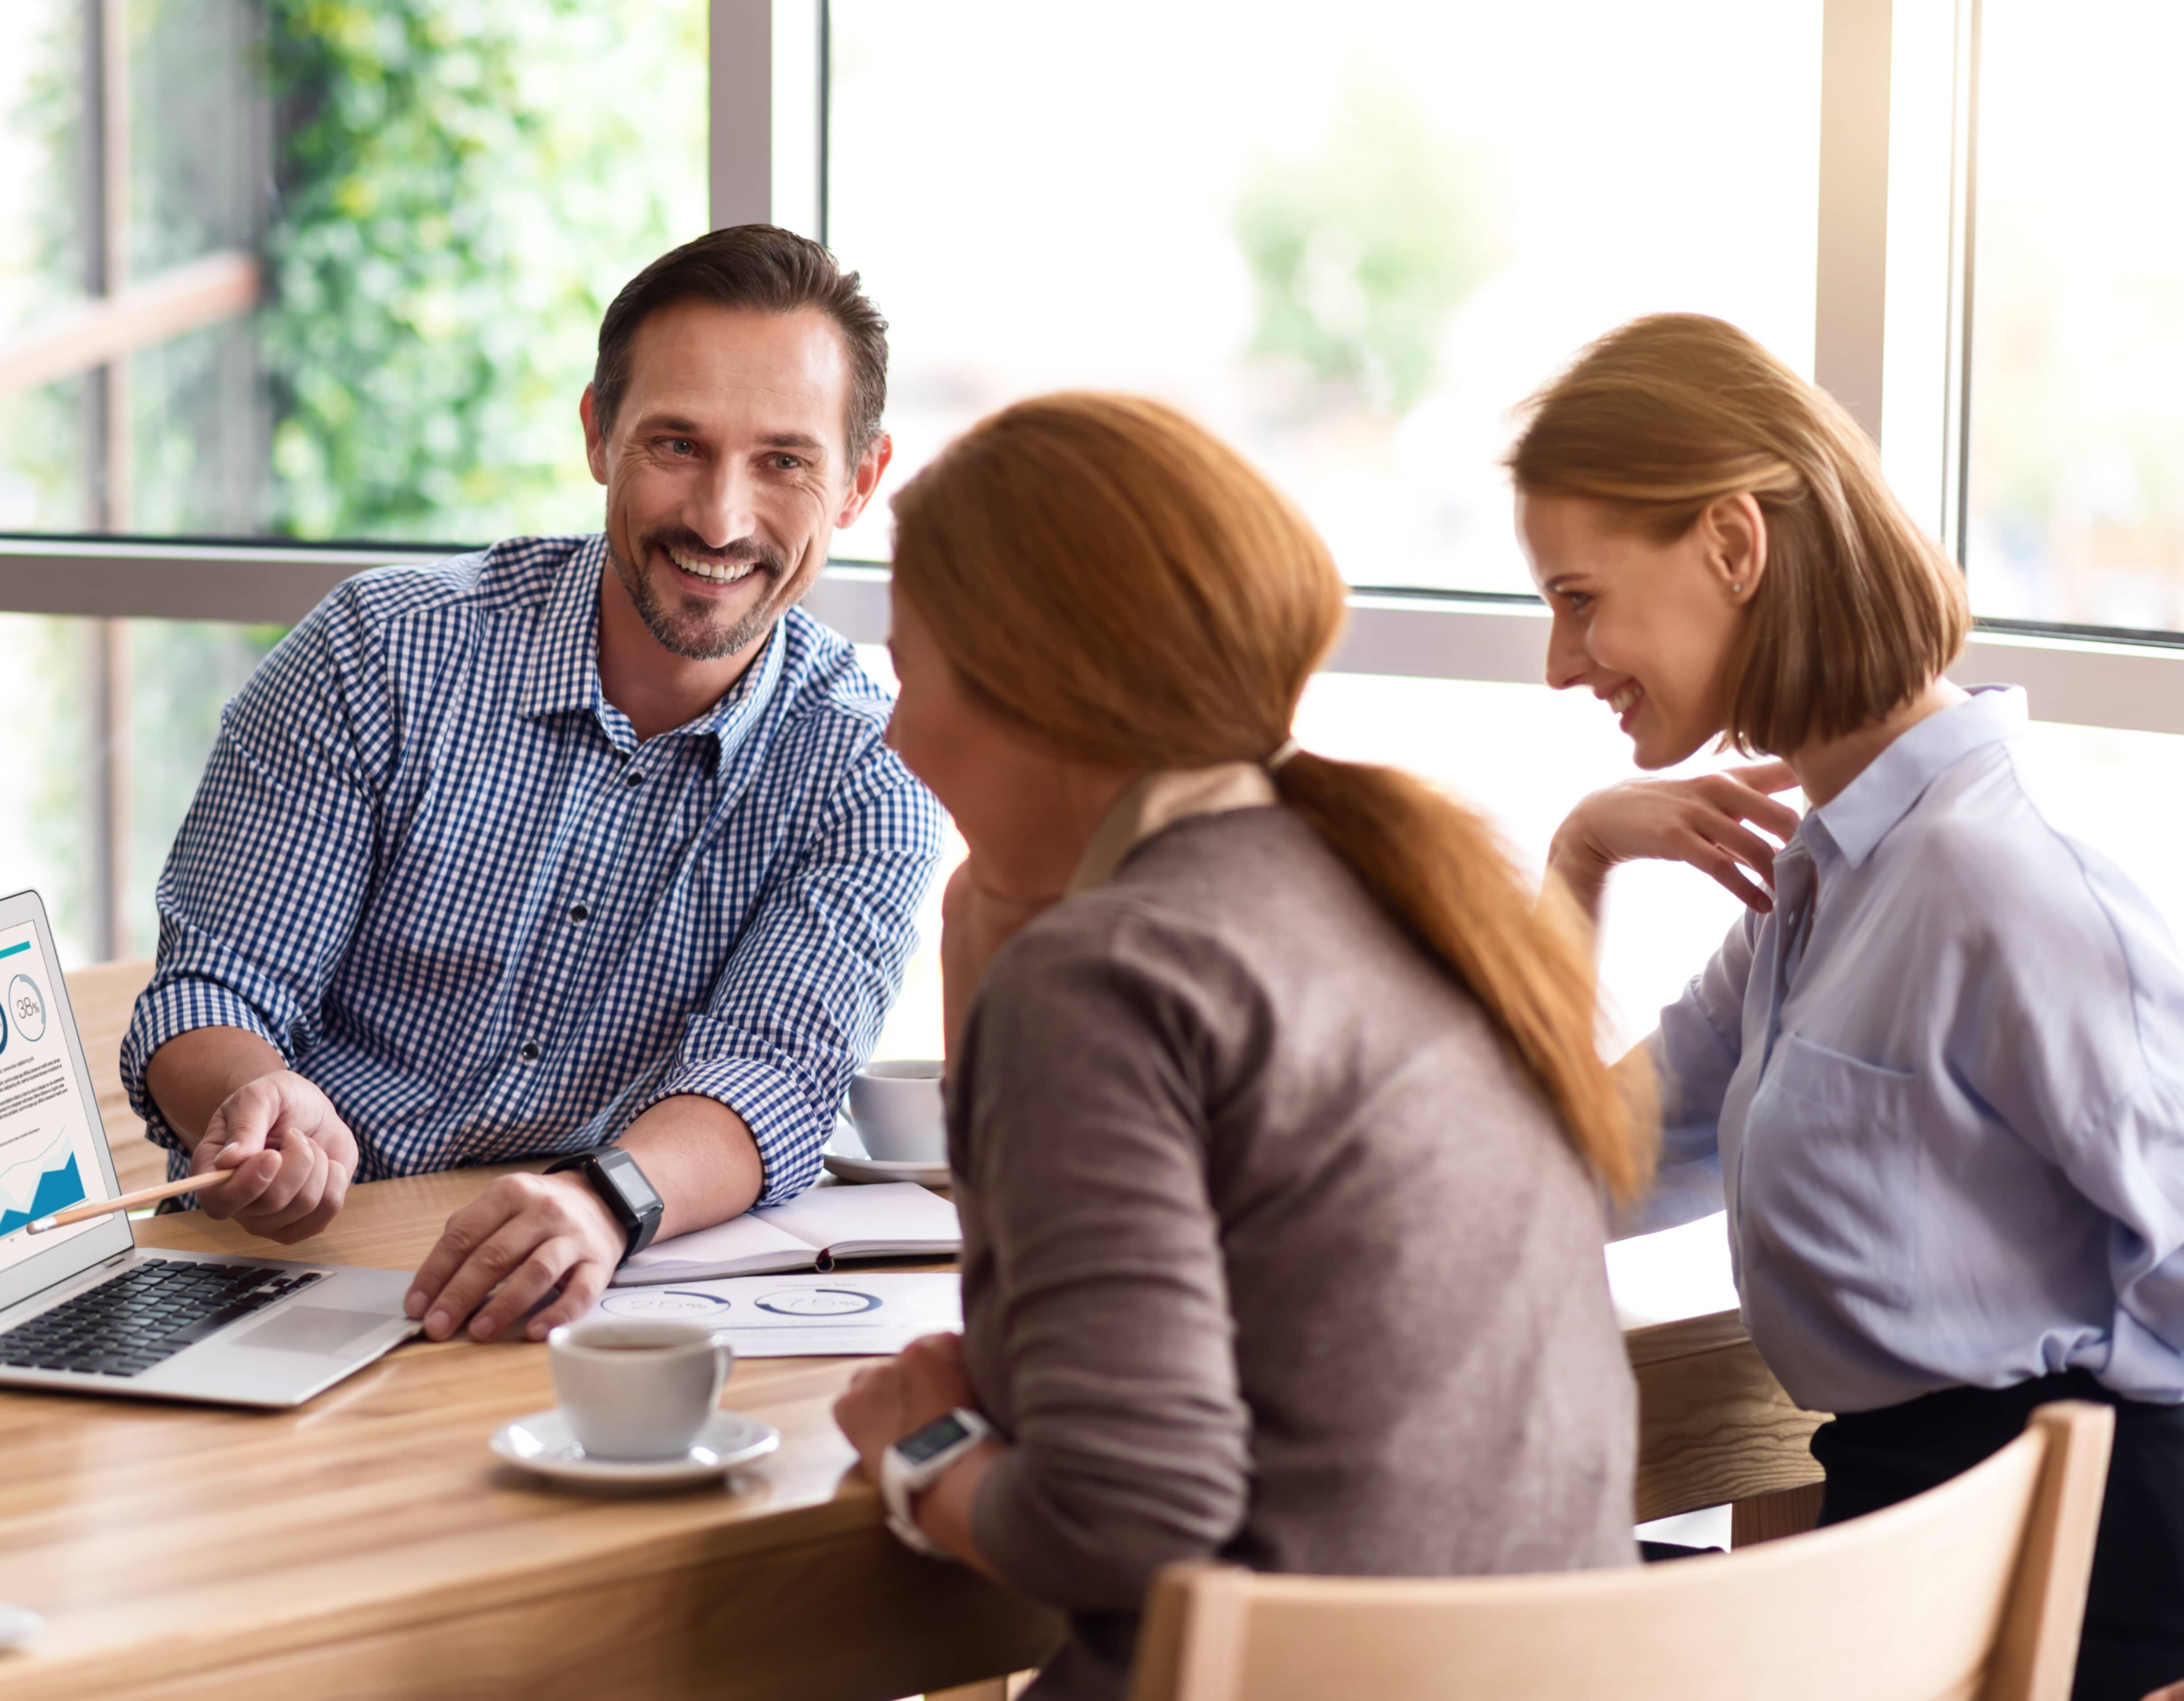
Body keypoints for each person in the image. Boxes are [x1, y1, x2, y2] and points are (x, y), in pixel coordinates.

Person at [831, 393, 1644, 1701]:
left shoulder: (1108, 976)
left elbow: (1127, 1522)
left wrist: (916, 1451)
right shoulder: (1412, 890)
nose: (894, 731)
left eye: (909, 669)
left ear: (1035, 686)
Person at [121, 226, 942, 1343]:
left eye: (784, 462)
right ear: (599, 435)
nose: (720, 517)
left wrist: (603, 1202)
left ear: (859, 483)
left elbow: (772, 1080)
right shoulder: (379, 654)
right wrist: (254, 1101)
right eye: (675, 445)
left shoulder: (870, 767)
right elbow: (214, 990)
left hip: (567, 1293)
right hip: (282, 1275)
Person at [1523, 313, 2184, 1701]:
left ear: (1731, 545)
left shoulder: (2003, 886)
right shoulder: (1823, 878)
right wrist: (1577, 859)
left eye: (1578, 597)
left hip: (2068, 1573)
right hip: (1913, 1537)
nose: (1558, 662)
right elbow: (1561, 1169)